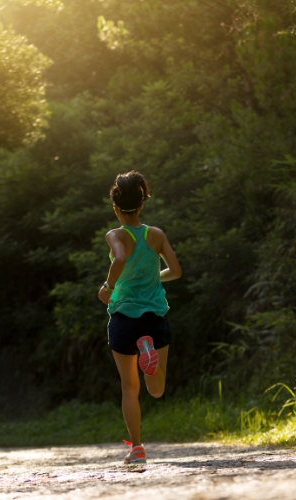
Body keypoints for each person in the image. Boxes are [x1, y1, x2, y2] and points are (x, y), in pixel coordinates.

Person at [98, 170, 182, 465]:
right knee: (156, 390)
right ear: (141, 205)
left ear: (116, 208)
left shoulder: (115, 235)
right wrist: (153, 278)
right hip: (155, 317)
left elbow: (120, 257)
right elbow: (176, 271)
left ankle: (137, 448)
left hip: (123, 317)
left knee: (129, 388)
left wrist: (109, 287)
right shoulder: (155, 235)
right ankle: (149, 352)